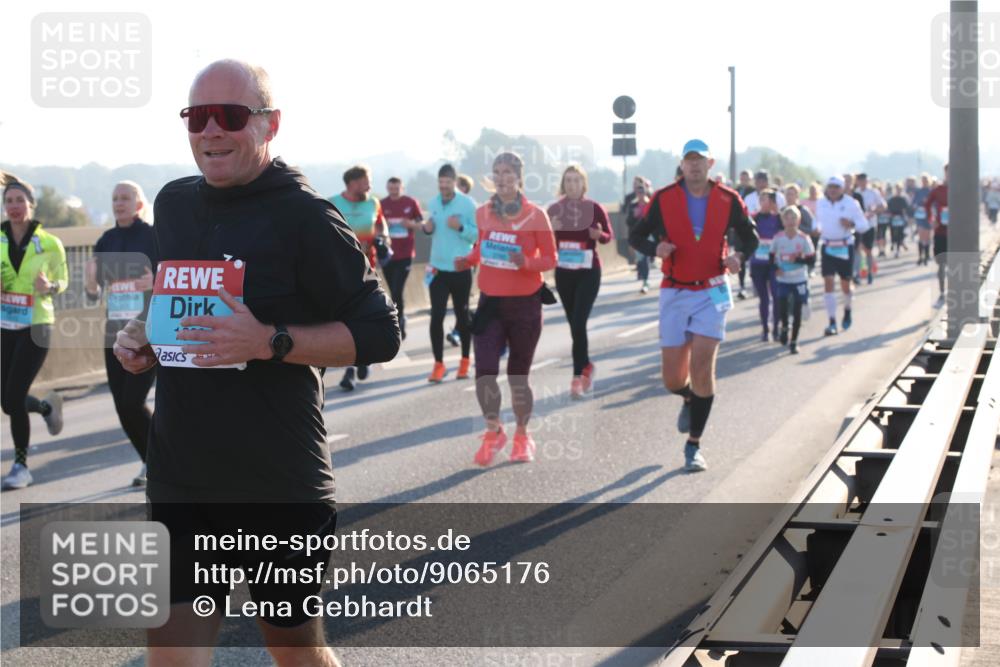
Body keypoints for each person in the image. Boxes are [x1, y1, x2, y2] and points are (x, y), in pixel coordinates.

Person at [113, 59, 398, 666]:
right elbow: (175, 298)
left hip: (278, 481)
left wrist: (269, 340)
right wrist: (144, 336)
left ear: (270, 124)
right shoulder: (174, 203)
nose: (211, 130)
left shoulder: (306, 217)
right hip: (183, 474)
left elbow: (381, 332)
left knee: (294, 651)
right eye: (197, 116)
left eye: (231, 116)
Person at [628, 139, 758, 473]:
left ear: (710, 164)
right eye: (689, 160)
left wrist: (738, 256)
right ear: (682, 165)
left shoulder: (728, 199)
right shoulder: (665, 198)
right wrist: (655, 250)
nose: (695, 165)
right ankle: (687, 396)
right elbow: (636, 236)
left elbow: (750, 236)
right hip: (675, 289)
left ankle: (694, 445)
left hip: (712, 290)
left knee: (703, 367)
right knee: (672, 379)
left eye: (700, 160)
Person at [455, 152, 556, 465]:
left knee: (518, 376)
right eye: (497, 172)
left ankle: (523, 435)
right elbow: (481, 246)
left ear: (519, 177)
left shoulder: (536, 215)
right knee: (484, 372)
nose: (502, 178)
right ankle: (494, 430)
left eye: (508, 172)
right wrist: (468, 260)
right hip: (491, 303)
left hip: (526, 304)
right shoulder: (484, 212)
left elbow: (550, 259)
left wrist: (526, 263)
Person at [85, 180, 158, 487]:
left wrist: (153, 281)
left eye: (126, 197)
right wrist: (90, 284)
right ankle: (151, 463)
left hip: (145, 329)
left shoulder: (153, 236)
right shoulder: (105, 240)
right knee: (121, 407)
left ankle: (164, 460)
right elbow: (93, 294)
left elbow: (172, 276)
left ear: (139, 204)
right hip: (114, 331)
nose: (119, 202)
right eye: (115, 198)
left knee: (132, 402)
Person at [1, 177, 68, 490]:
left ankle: (21, 466)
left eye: (19, 200)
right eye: (9, 201)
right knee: (7, 401)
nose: (14, 206)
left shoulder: (50, 243)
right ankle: (46, 407)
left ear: (31, 204)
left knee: (14, 396)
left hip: (37, 325)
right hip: (5, 325)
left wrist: (50, 286)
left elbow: (64, 281)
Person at [548, 165, 613, 398]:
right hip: (564, 272)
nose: (572, 184)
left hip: (588, 271)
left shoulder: (594, 208)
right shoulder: (555, 209)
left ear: (583, 184)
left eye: (576, 180)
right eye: (568, 180)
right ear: (563, 184)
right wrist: (551, 232)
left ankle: (578, 376)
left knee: (578, 322)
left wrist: (599, 236)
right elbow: (544, 243)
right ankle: (585, 365)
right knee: (574, 325)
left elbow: (608, 236)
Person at [330, 165, 390, 391]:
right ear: (352, 183)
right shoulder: (332, 202)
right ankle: (352, 367)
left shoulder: (373, 202)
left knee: (365, 316)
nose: (370, 185)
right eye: (366, 181)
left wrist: (384, 239)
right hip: (340, 270)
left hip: (369, 270)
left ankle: (361, 360)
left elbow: (381, 224)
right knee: (346, 319)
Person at [423, 164, 478, 382]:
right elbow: (433, 230)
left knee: (462, 315)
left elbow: (476, 236)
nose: (443, 187)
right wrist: (427, 229)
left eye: (447, 182)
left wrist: (461, 227)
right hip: (437, 268)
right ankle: (438, 364)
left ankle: (465, 361)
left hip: (460, 268)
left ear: (454, 181)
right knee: (436, 317)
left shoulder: (467, 204)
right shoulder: (434, 202)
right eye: (440, 183)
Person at [816, 176, 869, 336]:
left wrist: (851, 224)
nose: (832, 190)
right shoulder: (821, 203)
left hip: (845, 247)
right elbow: (816, 222)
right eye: (830, 187)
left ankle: (847, 310)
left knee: (846, 285)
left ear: (842, 188)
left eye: (836, 187)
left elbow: (864, 225)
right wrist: (814, 229)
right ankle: (832, 322)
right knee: (828, 282)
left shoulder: (851, 203)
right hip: (827, 247)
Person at [380, 177, 423, 341]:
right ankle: (400, 318)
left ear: (402, 188)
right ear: (387, 188)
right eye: (391, 189)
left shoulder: (411, 202)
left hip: (405, 255)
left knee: (398, 290)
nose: (394, 192)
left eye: (396, 189)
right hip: (388, 255)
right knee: (392, 292)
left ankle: (398, 323)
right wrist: (385, 227)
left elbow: (421, 224)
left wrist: (410, 224)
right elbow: (375, 226)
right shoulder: (382, 204)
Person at [771, 206, 816, 354]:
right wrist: (775, 268)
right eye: (787, 218)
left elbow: (811, 261)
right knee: (783, 308)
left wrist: (797, 259)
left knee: (797, 311)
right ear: (782, 221)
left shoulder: (804, 238)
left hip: (799, 279)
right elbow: (771, 258)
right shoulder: (778, 238)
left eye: (793, 218)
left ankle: (794, 341)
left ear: (799, 220)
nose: (790, 221)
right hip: (783, 279)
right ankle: (784, 327)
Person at [750, 190, 783, 341]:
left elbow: (785, 237)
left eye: (765, 199)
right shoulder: (753, 218)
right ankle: (765, 329)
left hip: (774, 263)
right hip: (758, 263)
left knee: (776, 295)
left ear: (772, 202)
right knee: (764, 298)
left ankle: (777, 327)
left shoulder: (779, 219)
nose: (762, 202)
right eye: (760, 199)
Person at [924, 164, 950, 305]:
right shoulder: (938, 190)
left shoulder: (962, 188)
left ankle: (953, 292)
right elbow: (927, 205)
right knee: (941, 264)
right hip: (940, 230)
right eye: (948, 172)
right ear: (945, 173)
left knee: (955, 265)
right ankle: (942, 292)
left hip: (957, 232)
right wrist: (931, 219)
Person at [624, 176, 652, 293]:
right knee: (640, 258)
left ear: (645, 191)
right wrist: (634, 215)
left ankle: (645, 281)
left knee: (645, 257)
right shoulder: (633, 205)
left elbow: (655, 220)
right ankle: (642, 274)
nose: (640, 193)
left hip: (648, 235)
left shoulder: (650, 203)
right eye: (638, 191)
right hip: (637, 235)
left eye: (642, 191)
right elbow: (628, 222)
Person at [855, 174, 886, 275]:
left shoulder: (873, 192)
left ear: (866, 181)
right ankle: (861, 270)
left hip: (870, 224)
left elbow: (883, 206)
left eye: (864, 180)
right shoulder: (855, 193)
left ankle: (871, 266)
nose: (862, 183)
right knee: (859, 247)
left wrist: (874, 210)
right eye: (860, 180)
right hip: (858, 225)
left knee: (868, 249)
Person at [886, 182, 911, 257]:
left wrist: (905, 214)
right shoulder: (891, 199)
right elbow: (888, 208)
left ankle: (898, 248)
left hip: (901, 218)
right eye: (897, 189)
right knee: (893, 233)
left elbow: (907, 208)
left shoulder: (903, 199)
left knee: (901, 233)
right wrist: (890, 214)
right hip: (893, 218)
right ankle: (894, 244)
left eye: (899, 189)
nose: (898, 191)